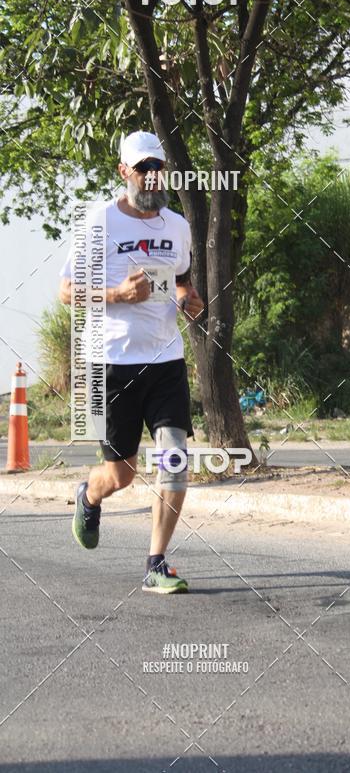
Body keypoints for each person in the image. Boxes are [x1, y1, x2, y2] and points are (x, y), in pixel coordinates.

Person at [59, 130, 204, 594]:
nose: (152, 175)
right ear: (124, 172)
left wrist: (189, 300)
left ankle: (156, 563)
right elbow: (65, 292)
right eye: (142, 168)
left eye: (157, 167)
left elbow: (182, 283)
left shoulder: (177, 226)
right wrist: (116, 294)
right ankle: (90, 494)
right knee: (120, 474)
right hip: (111, 362)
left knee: (174, 461)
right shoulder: (99, 221)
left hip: (165, 360)